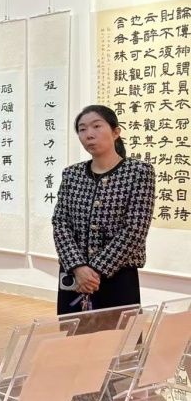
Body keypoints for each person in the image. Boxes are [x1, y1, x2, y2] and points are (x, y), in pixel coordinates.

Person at [53, 105, 155, 314]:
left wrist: (95, 271)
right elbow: (60, 223)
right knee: (74, 333)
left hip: (117, 277)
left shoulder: (139, 172)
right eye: (82, 129)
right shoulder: (71, 174)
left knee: (118, 333)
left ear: (116, 132)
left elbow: (135, 229)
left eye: (96, 126)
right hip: (74, 275)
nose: (89, 134)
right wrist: (78, 267)